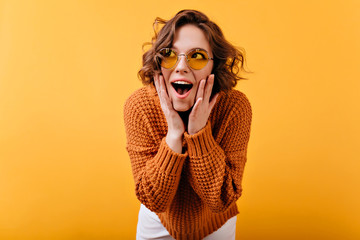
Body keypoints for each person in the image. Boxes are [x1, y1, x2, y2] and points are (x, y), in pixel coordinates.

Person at [124, 9, 252, 240]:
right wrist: (174, 135)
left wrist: (199, 133)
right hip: (158, 220)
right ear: (159, 62)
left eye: (197, 56)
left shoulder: (235, 107)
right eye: (169, 54)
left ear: (214, 65)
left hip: (216, 224)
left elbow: (220, 199)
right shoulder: (139, 106)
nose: (181, 67)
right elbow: (154, 199)